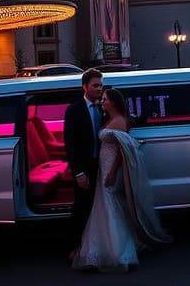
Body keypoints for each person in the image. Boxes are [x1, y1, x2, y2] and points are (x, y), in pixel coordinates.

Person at [72, 89, 170, 272]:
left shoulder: (118, 122)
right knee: (106, 205)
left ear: (114, 103)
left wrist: (111, 173)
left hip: (110, 169)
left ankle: (118, 251)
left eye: (105, 99)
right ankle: (105, 246)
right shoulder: (110, 120)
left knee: (110, 206)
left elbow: (121, 151)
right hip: (104, 167)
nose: (102, 102)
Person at [64, 68, 105, 258]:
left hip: (104, 164)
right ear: (85, 87)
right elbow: (70, 144)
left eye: (101, 85)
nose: (99, 88)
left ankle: (97, 243)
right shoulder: (74, 110)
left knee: (102, 205)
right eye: (95, 85)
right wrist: (78, 172)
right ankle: (75, 246)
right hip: (84, 166)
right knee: (82, 206)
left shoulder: (105, 107)